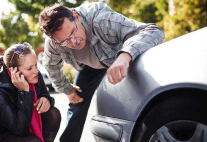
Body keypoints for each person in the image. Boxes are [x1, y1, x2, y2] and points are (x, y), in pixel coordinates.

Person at [39, 2, 165, 142]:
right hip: (89, 67)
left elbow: (153, 30)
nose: (73, 42)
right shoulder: (53, 43)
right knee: (76, 104)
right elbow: (51, 66)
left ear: (76, 17)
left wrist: (125, 55)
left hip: (119, 58)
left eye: (73, 32)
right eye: (65, 41)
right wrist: (67, 89)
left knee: (139, 97)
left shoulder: (101, 18)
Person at [0, 42, 61, 142]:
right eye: (29, 68)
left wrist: (46, 99)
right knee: (33, 141)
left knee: (53, 113)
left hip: (26, 122)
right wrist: (24, 92)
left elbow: (45, 94)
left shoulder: (34, 75)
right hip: (5, 133)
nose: (36, 71)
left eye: (35, 65)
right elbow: (19, 129)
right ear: (13, 71)